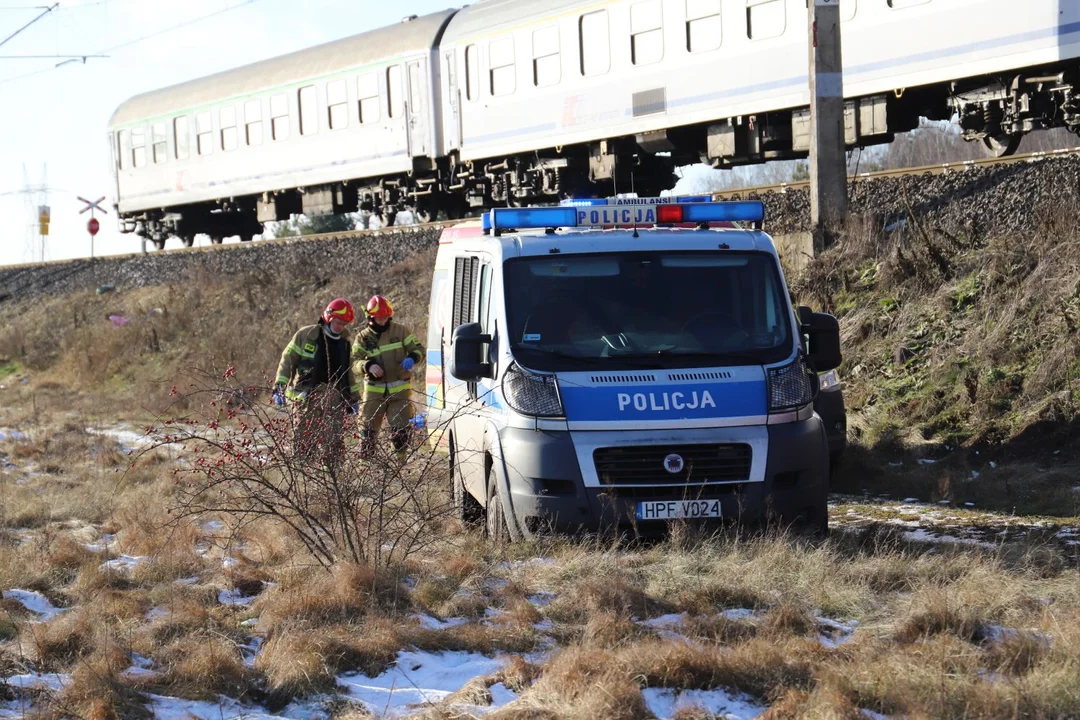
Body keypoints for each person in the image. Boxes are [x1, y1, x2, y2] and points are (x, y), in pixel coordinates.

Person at [273, 298, 361, 465]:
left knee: (334, 439)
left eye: (344, 324)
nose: (341, 327)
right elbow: (287, 359)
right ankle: (303, 476)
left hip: (334, 396)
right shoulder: (306, 335)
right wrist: (279, 385)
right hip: (307, 396)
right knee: (304, 437)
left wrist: (353, 398)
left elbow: (348, 374)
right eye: (338, 322)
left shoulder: (344, 343)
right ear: (329, 317)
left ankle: (333, 479)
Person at [351, 294, 424, 461]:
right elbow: (354, 362)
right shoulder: (363, 337)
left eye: (385, 317)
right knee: (367, 431)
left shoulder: (400, 331)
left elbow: (419, 348)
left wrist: (413, 357)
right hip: (373, 393)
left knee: (401, 430)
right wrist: (367, 366)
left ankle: (399, 464)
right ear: (370, 317)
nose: (383, 321)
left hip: (400, 392)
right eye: (379, 318)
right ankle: (366, 466)